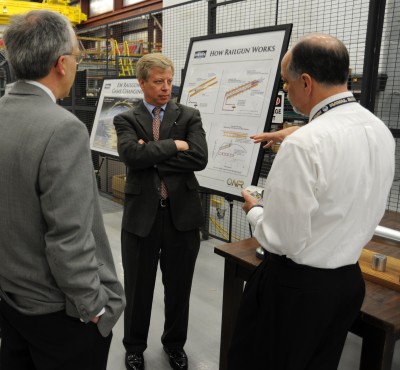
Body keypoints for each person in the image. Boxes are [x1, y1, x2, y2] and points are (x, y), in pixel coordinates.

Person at [228, 33, 395, 370]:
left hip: (295, 290)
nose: (286, 92)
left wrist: (256, 211)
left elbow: (283, 239)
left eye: (286, 84)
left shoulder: (304, 144)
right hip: (347, 283)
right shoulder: (380, 131)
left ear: (305, 82)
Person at [0, 10, 125, 370]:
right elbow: (69, 238)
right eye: (77, 56)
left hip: (12, 300)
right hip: (59, 315)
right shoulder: (63, 129)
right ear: (61, 64)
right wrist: (96, 309)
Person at [113, 53, 208, 370]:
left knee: (179, 288)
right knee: (138, 289)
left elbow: (199, 158)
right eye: (158, 82)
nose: (166, 88)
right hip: (142, 219)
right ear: (142, 83)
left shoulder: (189, 115)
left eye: (169, 81)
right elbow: (130, 155)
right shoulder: (126, 118)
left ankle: (174, 345)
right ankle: (134, 347)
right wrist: (174, 146)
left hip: (182, 216)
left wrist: (149, 152)